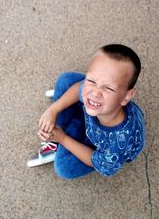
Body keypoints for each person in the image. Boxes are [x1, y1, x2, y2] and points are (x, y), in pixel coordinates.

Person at [27, 44, 145, 179]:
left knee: (64, 168)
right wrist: (53, 110)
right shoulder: (98, 98)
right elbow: (80, 87)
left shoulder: (119, 142)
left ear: (126, 97)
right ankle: (64, 123)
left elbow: (99, 162)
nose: (95, 93)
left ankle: (57, 141)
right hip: (98, 114)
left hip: (99, 143)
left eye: (108, 88)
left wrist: (62, 138)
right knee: (66, 80)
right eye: (91, 80)